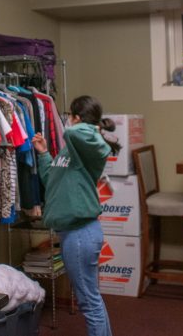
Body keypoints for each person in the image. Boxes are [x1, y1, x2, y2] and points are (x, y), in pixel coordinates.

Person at [32, 95, 120, 336]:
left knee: (89, 303)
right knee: (92, 299)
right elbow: (53, 181)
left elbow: (73, 134)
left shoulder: (91, 147)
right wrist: (43, 154)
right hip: (73, 234)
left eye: (69, 117)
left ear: (76, 118)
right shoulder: (70, 150)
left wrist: (88, 124)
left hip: (81, 234)